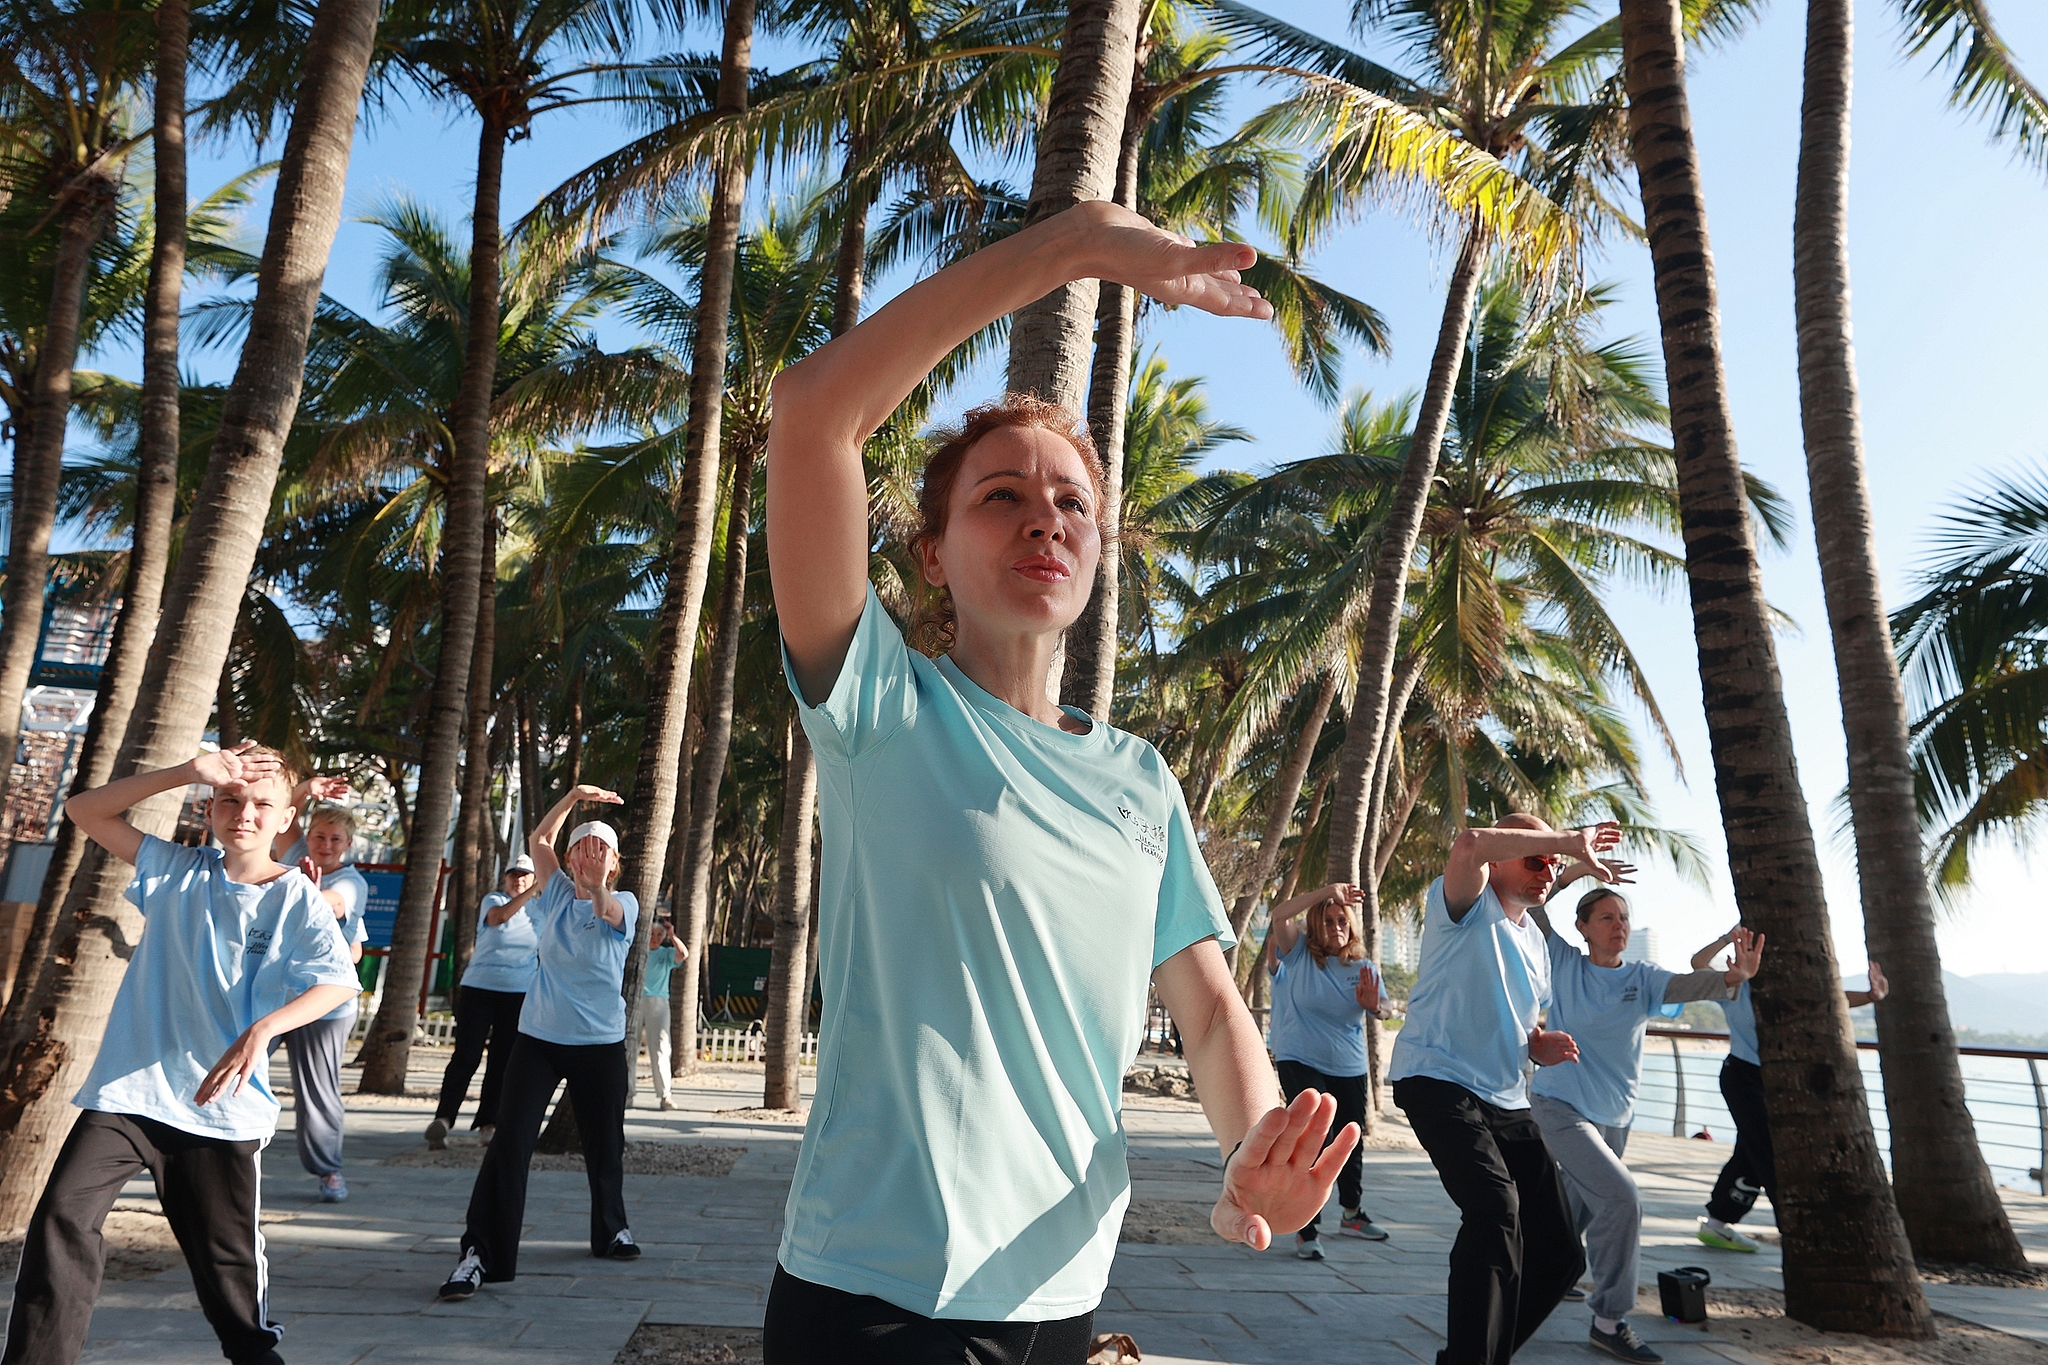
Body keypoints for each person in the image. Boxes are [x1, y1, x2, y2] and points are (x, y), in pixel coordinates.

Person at [762, 198, 1357, 1362]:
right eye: (1000, 496)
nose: (1043, 517)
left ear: (1097, 547)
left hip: (1063, 1294)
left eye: (1071, 502)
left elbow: (1208, 1004)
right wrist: (1076, 247)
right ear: (931, 554)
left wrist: (1250, 1156)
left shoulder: (1137, 777)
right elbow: (812, 415)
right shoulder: (881, 704)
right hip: (877, 1298)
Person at [3, 742, 359, 1365]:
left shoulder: (295, 898)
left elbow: (337, 982)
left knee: (229, 1280)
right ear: (211, 807)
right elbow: (84, 810)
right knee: (61, 1217)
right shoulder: (174, 869)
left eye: (261, 805)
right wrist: (185, 773)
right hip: (127, 1094)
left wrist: (263, 1030)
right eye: (229, 799)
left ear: (286, 820)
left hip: (217, 1109)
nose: (243, 813)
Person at [1387, 814, 1612, 1365]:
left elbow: (1517, 1021)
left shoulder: (1536, 942)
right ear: (1504, 856)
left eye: (1554, 865)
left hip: (1506, 1098)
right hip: (1437, 1080)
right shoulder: (1466, 905)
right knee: (1493, 1208)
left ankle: (1482, 1356)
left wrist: (1538, 1044)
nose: (1548, 871)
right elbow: (1468, 842)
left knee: (1561, 1252)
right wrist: (1565, 841)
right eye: (1535, 859)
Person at [1527, 876, 1764, 1364]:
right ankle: (1609, 1320)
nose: (1619, 926)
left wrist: (1734, 977)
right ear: (1584, 927)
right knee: (1621, 1198)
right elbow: (1535, 909)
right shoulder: (1565, 963)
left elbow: (1686, 984)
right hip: (1560, 1104)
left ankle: (1526, 1280)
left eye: (1624, 917)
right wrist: (1571, 873)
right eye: (1607, 918)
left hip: (1616, 1117)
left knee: (1575, 1215)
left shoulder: (1642, 977)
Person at [438, 785, 641, 1300]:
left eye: (601, 849)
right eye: (581, 847)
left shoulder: (626, 902)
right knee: (509, 1143)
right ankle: (481, 1253)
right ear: (567, 858)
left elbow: (611, 916)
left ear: (614, 863)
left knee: (605, 1142)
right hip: (539, 1040)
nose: (590, 853)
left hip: (600, 1042)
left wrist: (597, 889)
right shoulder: (550, 893)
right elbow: (539, 835)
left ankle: (611, 1229)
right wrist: (573, 795)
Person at [1689, 925, 1887, 1254]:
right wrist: (1727, 937)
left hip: (1775, 1080)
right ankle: (1794, 1226)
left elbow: (1829, 999)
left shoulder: (1789, 987)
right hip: (1741, 1077)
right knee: (1767, 1149)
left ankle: (1717, 1222)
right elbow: (1698, 963)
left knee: (1751, 1151)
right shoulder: (1734, 986)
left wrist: (1870, 997)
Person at [1262, 881, 1393, 1259]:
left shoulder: (1364, 968)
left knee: (1350, 1138)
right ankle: (1306, 1229)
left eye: (1342, 920)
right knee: (1314, 1137)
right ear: (1315, 927)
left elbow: (1383, 1010)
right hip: (1299, 1058)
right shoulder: (1299, 954)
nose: (1336, 926)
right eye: (1328, 920)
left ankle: (1352, 1213)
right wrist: (1326, 892)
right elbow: (1279, 915)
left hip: (1348, 1064)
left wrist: (1374, 1006)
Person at [271, 803, 370, 1203]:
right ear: (307, 837)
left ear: (347, 845)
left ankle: (329, 1170)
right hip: (275, 994)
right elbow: (280, 809)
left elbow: (335, 903)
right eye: (319, 837)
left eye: (335, 840)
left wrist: (309, 892)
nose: (326, 845)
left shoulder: (351, 882)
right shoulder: (295, 857)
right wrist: (308, 789)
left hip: (324, 1005)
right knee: (234, 1066)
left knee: (317, 1091)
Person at [426, 853, 539, 1148]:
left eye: (525, 875)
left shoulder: (541, 911)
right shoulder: (494, 900)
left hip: (517, 992)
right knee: (466, 1056)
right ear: (505, 878)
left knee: (502, 1061)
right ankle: (444, 1119)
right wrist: (531, 890)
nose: (519, 880)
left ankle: (488, 1122)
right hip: (479, 989)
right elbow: (499, 919)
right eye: (514, 875)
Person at [633, 919, 684, 1110]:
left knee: (661, 1047)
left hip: (658, 1001)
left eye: (659, 935)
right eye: (652, 934)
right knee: (630, 1045)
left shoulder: (666, 954)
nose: (654, 939)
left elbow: (683, 954)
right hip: (636, 999)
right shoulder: (637, 952)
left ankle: (665, 1095)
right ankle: (627, 1092)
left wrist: (672, 935)